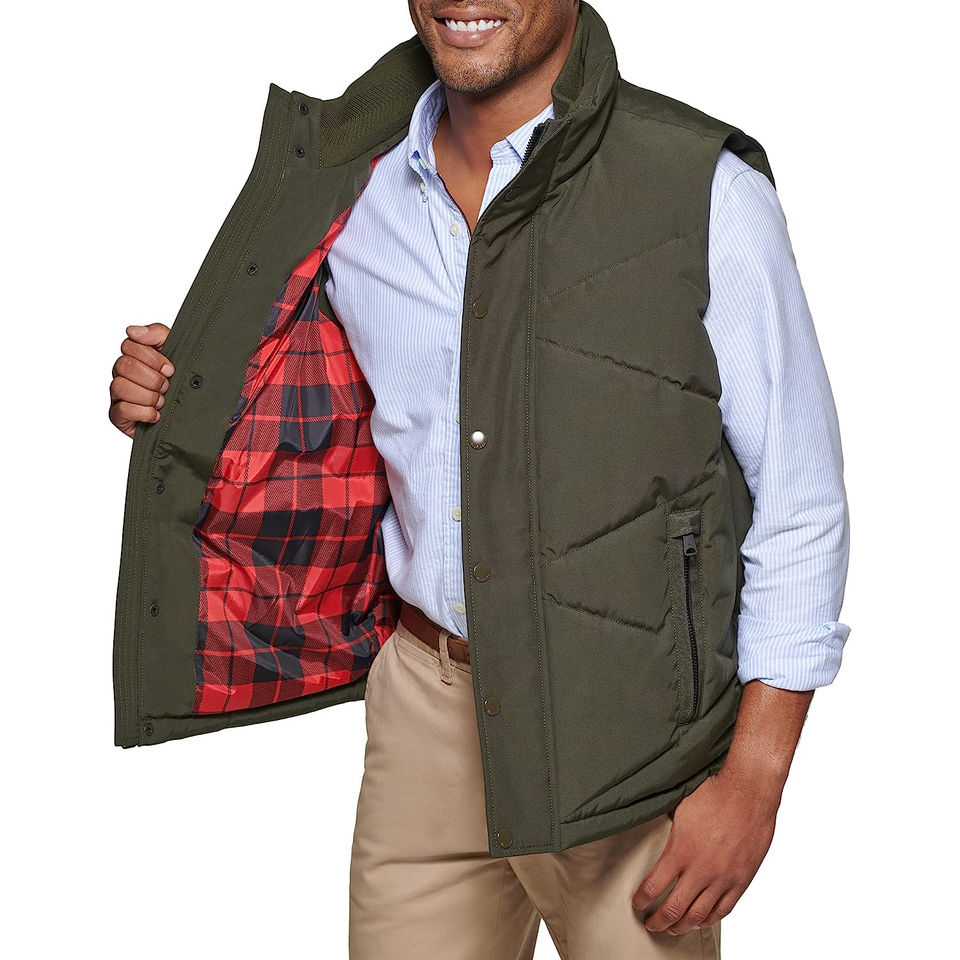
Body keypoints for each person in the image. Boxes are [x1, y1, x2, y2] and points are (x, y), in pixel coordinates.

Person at [107, 2, 850, 957]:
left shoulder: (700, 187)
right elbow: (297, 389)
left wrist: (754, 781)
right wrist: (172, 396)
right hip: (425, 713)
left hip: (629, 737)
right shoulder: (351, 185)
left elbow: (799, 499)